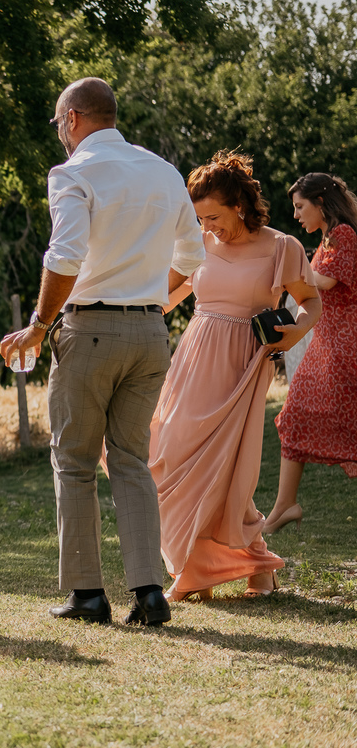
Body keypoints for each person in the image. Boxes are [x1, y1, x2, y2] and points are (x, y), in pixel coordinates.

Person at [0, 77, 205, 626]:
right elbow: (194, 252)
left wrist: (39, 326)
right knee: (133, 462)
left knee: (74, 462)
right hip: (150, 332)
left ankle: (87, 595)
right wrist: (152, 301)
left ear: (71, 119)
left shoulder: (72, 173)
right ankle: (150, 593)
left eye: (58, 124)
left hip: (88, 329)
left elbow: (63, 256)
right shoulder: (163, 172)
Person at [151, 151, 319, 602]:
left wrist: (292, 333)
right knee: (166, 453)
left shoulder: (282, 247)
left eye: (214, 216)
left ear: (239, 205)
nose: (207, 227)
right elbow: (165, 297)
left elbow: (309, 303)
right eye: (200, 218)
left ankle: (194, 574)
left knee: (223, 469)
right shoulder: (199, 245)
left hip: (243, 364)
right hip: (192, 360)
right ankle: (254, 565)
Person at [268, 172, 357, 533]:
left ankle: (283, 507)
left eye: (300, 206)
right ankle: (283, 507)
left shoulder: (344, 235)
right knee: (294, 418)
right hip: (327, 348)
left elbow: (326, 282)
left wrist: (288, 263)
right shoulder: (328, 239)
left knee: (345, 427)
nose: (296, 215)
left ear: (321, 203)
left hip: (344, 348)